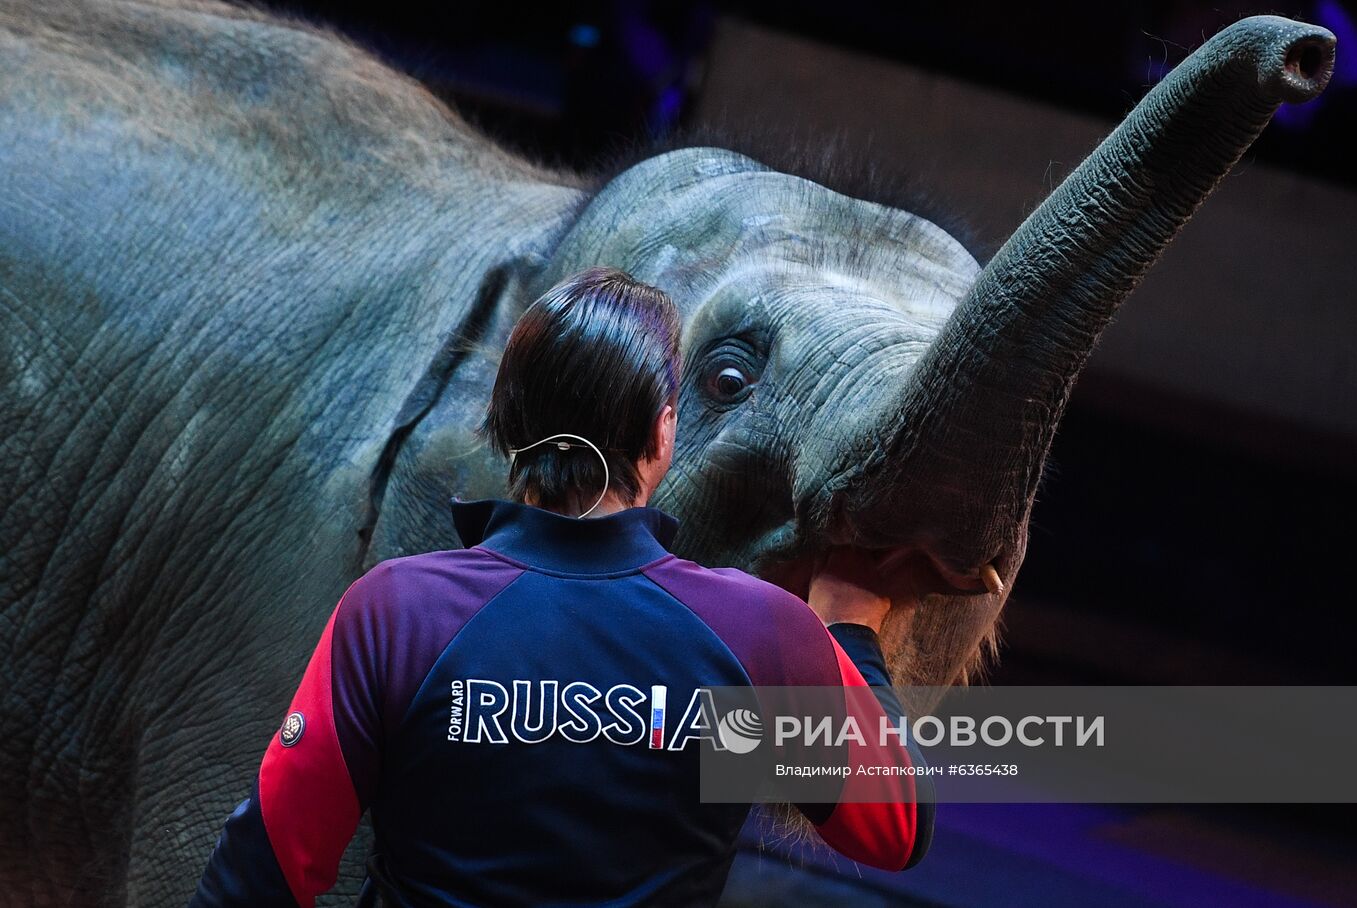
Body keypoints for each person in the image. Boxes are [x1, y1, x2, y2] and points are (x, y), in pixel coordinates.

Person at [188, 266, 933, 908]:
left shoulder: (395, 612)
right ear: (664, 432)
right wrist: (848, 631)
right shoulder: (760, 633)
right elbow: (896, 828)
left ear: (505, 424)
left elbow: (266, 870)